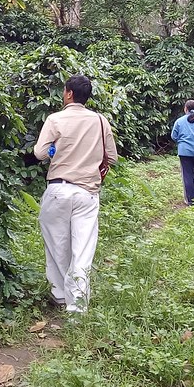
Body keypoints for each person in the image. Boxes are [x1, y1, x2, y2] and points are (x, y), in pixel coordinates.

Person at [33, 74, 118, 313]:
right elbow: (111, 157)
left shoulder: (55, 119)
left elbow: (39, 153)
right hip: (87, 193)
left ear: (69, 93)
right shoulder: (101, 121)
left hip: (58, 189)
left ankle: (59, 294)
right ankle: (78, 305)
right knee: (83, 249)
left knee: (57, 244)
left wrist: (55, 150)